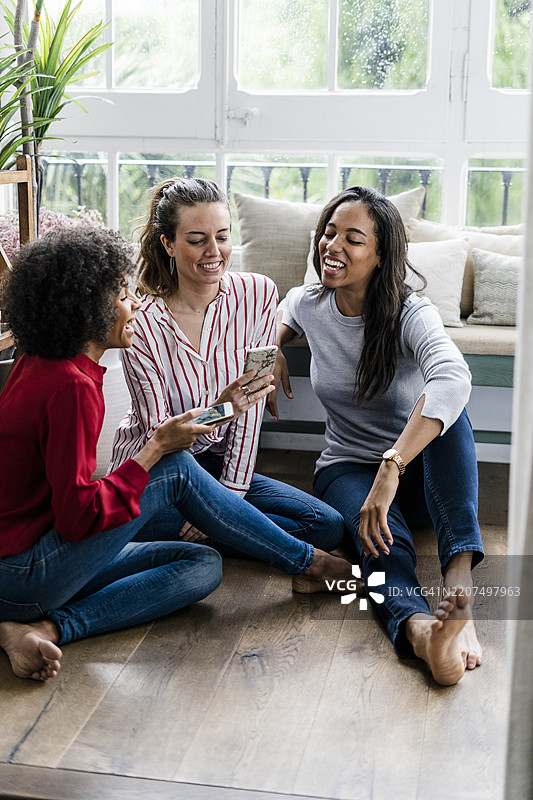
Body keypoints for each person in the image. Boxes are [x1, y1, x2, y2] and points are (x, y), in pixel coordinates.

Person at [0, 226, 354, 682]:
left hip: (33, 558)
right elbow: (82, 513)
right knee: (175, 469)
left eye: (223, 236)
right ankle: (311, 564)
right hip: (28, 569)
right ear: (86, 310)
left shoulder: (43, 362)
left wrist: (224, 415)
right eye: (122, 296)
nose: (133, 304)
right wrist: (155, 451)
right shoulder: (78, 382)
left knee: (204, 564)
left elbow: (210, 420)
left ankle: (35, 628)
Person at [272, 186, 485, 686]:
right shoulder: (310, 303)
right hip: (346, 469)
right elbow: (283, 311)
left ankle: (460, 586)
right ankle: (422, 632)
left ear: (382, 255)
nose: (333, 246)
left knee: (452, 413)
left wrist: (392, 465)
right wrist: (273, 345)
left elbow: (453, 377)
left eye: (353, 239)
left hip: (416, 476)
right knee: (383, 546)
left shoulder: (411, 312)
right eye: (329, 233)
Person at [109, 177, 345, 553]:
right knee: (134, 522)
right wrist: (222, 410)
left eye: (222, 236)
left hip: (218, 466)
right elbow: (162, 436)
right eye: (197, 240)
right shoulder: (143, 323)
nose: (213, 251)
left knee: (326, 527)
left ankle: (223, 534)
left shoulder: (259, 294)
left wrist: (228, 496)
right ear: (168, 244)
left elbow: (251, 406)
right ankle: (238, 538)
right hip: (158, 473)